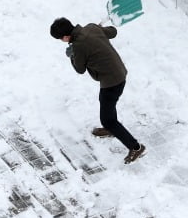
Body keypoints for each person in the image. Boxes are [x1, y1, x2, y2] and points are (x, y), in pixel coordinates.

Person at [50, 17, 146, 164]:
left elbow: (80, 69)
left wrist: (72, 55)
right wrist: (98, 29)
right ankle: (112, 128)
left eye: (60, 39)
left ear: (66, 37)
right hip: (120, 72)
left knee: (107, 118)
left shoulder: (78, 46)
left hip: (111, 82)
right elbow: (113, 32)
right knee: (107, 104)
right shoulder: (91, 27)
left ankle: (136, 147)